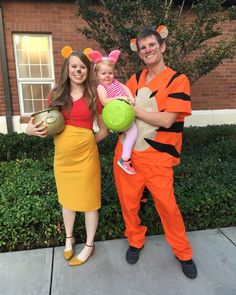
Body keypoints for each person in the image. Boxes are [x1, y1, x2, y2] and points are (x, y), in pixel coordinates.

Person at [113, 25, 197, 279]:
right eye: (143, 48)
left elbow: (167, 120)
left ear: (162, 47)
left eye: (152, 45)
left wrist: (132, 111)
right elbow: (118, 107)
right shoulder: (135, 80)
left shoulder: (177, 80)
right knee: (128, 205)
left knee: (168, 208)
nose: (147, 50)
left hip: (159, 159)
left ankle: (183, 253)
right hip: (128, 156)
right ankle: (135, 240)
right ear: (139, 53)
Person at [26, 46, 109, 266]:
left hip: (87, 159)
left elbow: (104, 129)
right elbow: (41, 124)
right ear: (67, 68)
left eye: (83, 67)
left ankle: (89, 245)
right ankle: (69, 239)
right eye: (74, 66)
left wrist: (88, 142)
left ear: (87, 70)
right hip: (62, 159)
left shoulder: (93, 95)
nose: (78, 70)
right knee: (68, 201)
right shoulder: (55, 95)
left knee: (90, 202)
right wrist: (29, 130)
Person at [88, 49, 137, 175]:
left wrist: (131, 98)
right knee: (133, 132)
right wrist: (120, 98)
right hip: (116, 115)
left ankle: (128, 154)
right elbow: (104, 101)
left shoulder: (116, 82)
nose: (107, 76)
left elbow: (125, 88)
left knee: (134, 131)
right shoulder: (101, 87)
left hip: (124, 111)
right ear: (97, 75)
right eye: (103, 73)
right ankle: (125, 159)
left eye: (110, 73)